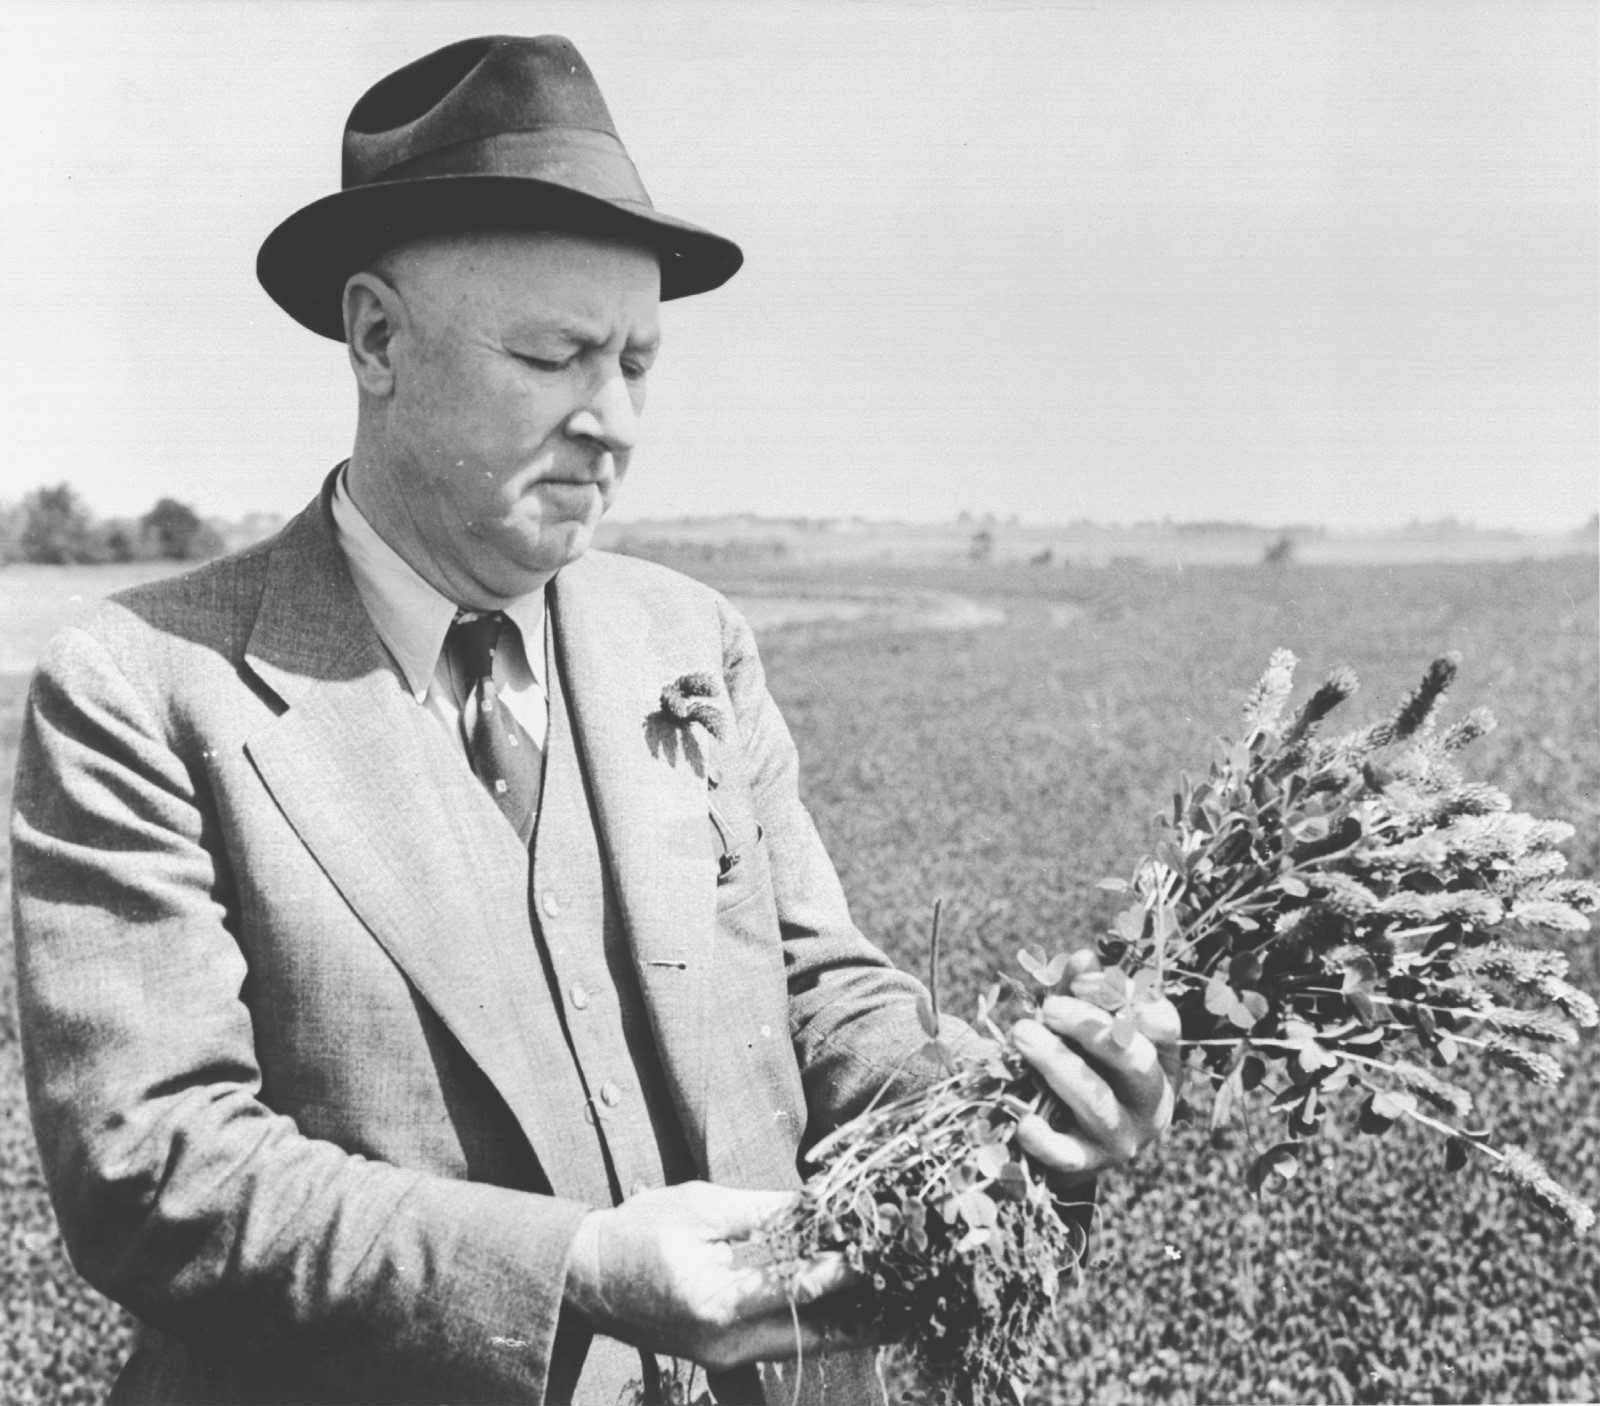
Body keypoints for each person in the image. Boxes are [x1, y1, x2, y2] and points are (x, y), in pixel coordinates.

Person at [11, 35, 1177, 1406]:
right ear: (376, 337)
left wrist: (1013, 1118)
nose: (614, 420)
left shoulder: (689, 638)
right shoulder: (139, 686)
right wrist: (573, 1269)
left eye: (638, 360)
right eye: (556, 354)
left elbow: (821, 988)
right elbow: (160, 1168)